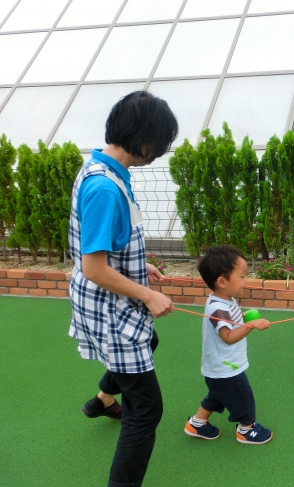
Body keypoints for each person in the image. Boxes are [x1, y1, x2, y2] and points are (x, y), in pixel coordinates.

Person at [68, 91, 178, 487]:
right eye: (161, 144)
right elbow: (93, 267)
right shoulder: (105, 188)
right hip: (108, 307)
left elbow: (103, 248)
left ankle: (102, 401)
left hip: (109, 301)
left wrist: (138, 267)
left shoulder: (106, 169)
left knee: (148, 343)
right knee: (147, 409)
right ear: (144, 140)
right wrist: (147, 294)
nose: (160, 152)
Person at [184, 245, 274, 445]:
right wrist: (250, 325)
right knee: (243, 398)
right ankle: (246, 429)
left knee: (217, 396)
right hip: (227, 368)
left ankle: (196, 424)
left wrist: (242, 317)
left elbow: (228, 324)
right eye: (242, 276)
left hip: (219, 368)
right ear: (222, 282)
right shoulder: (218, 307)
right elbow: (228, 336)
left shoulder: (224, 300)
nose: (246, 281)